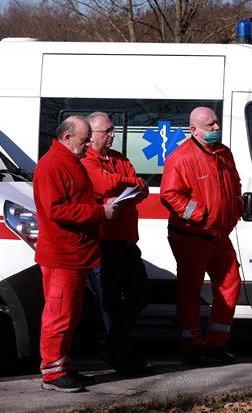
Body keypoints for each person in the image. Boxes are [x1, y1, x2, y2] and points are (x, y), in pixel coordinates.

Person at [33, 116, 117, 392]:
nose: (87, 145)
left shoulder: (69, 162)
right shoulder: (53, 165)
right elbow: (56, 210)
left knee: (70, 313)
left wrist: (97, 206)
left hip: (75, 252)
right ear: (67, 138)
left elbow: (74, 201)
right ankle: (52, 371)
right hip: (63, 253)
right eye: (83, 140)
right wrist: (99, 212)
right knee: (59, 313)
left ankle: (62, 364)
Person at [160, 107, 243, 365]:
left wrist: (237, 205)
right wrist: (202, 215)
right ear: (194, 130)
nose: (216, 128)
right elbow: (170, 195)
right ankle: (191, 347)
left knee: (231, 285)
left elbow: (235, 184)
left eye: (216, 123)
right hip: (192, 236)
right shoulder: (181, 158)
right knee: (190, 293)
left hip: (219, 235)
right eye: (210, 125)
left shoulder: (224, 153)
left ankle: (216, 344)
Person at [81, 112, 151, 375]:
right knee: (109, 301)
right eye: (107, 131)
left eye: (113, 130)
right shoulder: (87, 160)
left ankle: (114, 345)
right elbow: (103, 183)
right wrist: (129, 184)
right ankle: (119, 352)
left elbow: (140, 189)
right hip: (103, 241)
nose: (112, 135)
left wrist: (129, 185)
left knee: (140, 293)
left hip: (126, 239)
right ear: (91, 135)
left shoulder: (120, 159)